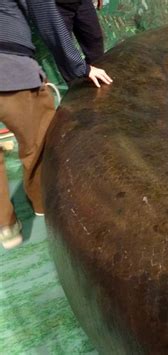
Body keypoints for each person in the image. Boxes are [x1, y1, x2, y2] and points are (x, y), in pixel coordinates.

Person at [0, 0, 113, 249]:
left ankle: (5, 226)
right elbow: (48, 20)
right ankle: (44, 205)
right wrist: (80, 67)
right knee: (39, 145)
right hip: (10, 69)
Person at [55, 0, 105, 84]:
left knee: (95, 42)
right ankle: (76, 92)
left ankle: (98, 82)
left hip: (82, 2)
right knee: (64, 51)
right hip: (54, 6)